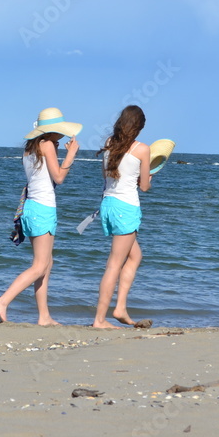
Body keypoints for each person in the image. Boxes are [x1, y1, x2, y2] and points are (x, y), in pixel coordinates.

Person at [0, 107, 81, 325]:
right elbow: (58, 177)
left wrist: (58, 152)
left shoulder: (32, 148)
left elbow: (42, 177)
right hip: (42, 209)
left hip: (31, 208)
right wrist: (71, 154)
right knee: (40, 266)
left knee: (45, 264)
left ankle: (44, 317)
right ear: (53, 130)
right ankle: (3, 301)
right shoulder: (47, 145)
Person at [93, 105, 150, 329]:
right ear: (138, 126)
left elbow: (106, 176)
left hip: (108, 203)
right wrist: (148, 175)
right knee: (114, 264)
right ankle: (99, 320)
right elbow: (144, 186)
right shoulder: (142, 149)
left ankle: (120, 308)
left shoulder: (110, 143)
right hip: (126, 206)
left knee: (135, 256)